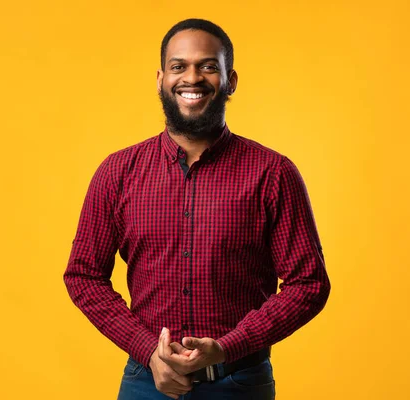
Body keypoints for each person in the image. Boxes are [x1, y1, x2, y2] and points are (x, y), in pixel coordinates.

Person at [63, 18, 331, 400]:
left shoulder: (272, 173)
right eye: (178, 66)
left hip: (240, 382)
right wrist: (146, 350)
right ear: (160, 79)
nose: (192, 78)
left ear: (230, 80)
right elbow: (83, 275)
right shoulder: (117, 173)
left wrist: (228, 346)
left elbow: (309, 283)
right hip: (145, 381)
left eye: (208, 66)